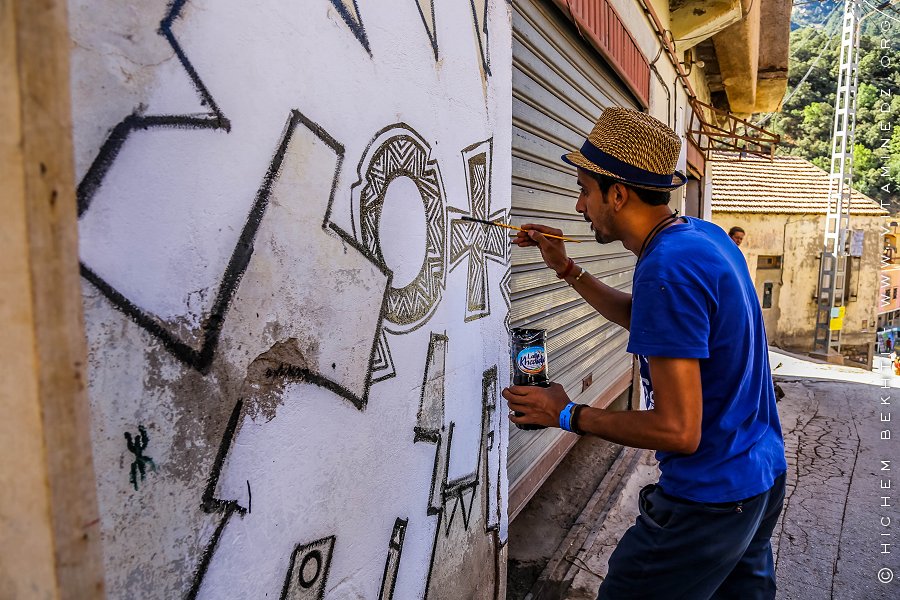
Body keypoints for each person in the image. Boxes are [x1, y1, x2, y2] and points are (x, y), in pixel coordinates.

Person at [504, 107, 787, 599]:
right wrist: (565, 268)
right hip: (758, 478)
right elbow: (659, 325)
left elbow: (679, 431)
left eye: (584, 190)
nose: (577, 206)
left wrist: (567, 413)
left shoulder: (666, 269)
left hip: (709, 500)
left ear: (617, 194)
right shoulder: (702, 237)